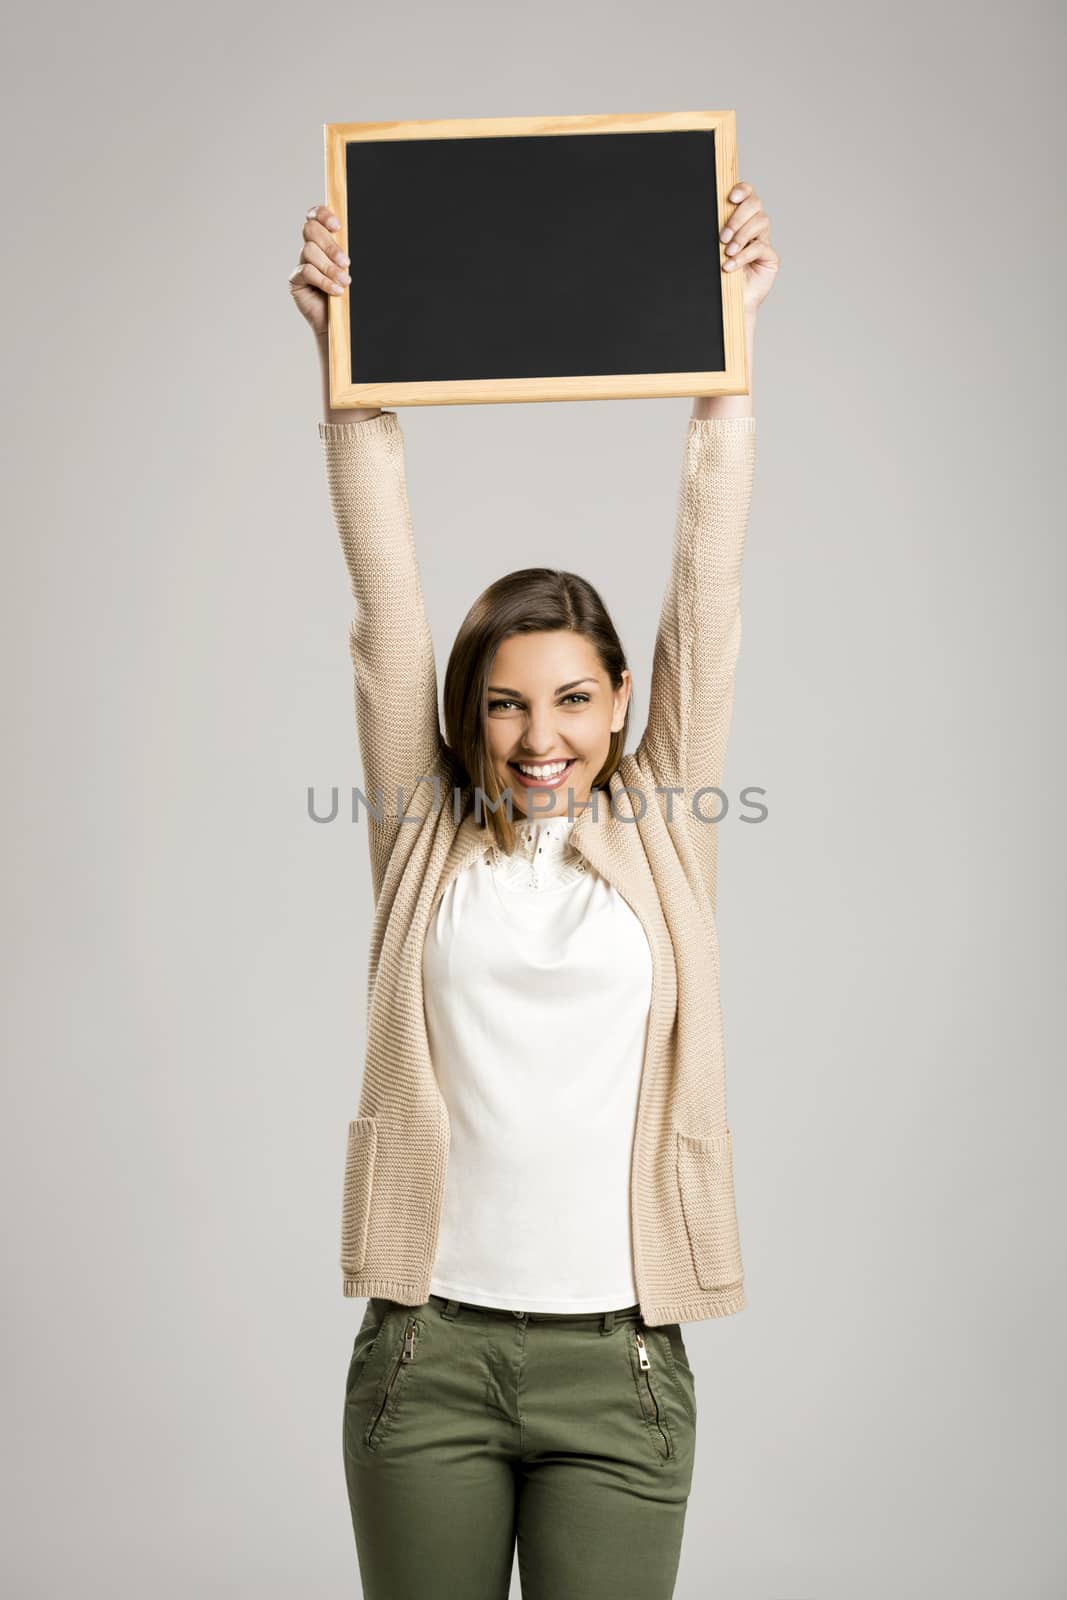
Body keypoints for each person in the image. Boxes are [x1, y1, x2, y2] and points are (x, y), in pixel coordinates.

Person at [288, 180, 778, 1600]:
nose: (541, 737)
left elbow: (710, 587)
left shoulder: (663, 835)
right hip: (426, 1364)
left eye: (572, 699)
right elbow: (388, 611)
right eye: (504, 706)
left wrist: (729, 364)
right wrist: (346, 372)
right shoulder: (423, 839)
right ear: (467, 721)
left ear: (622, 706)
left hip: (615, 1368)